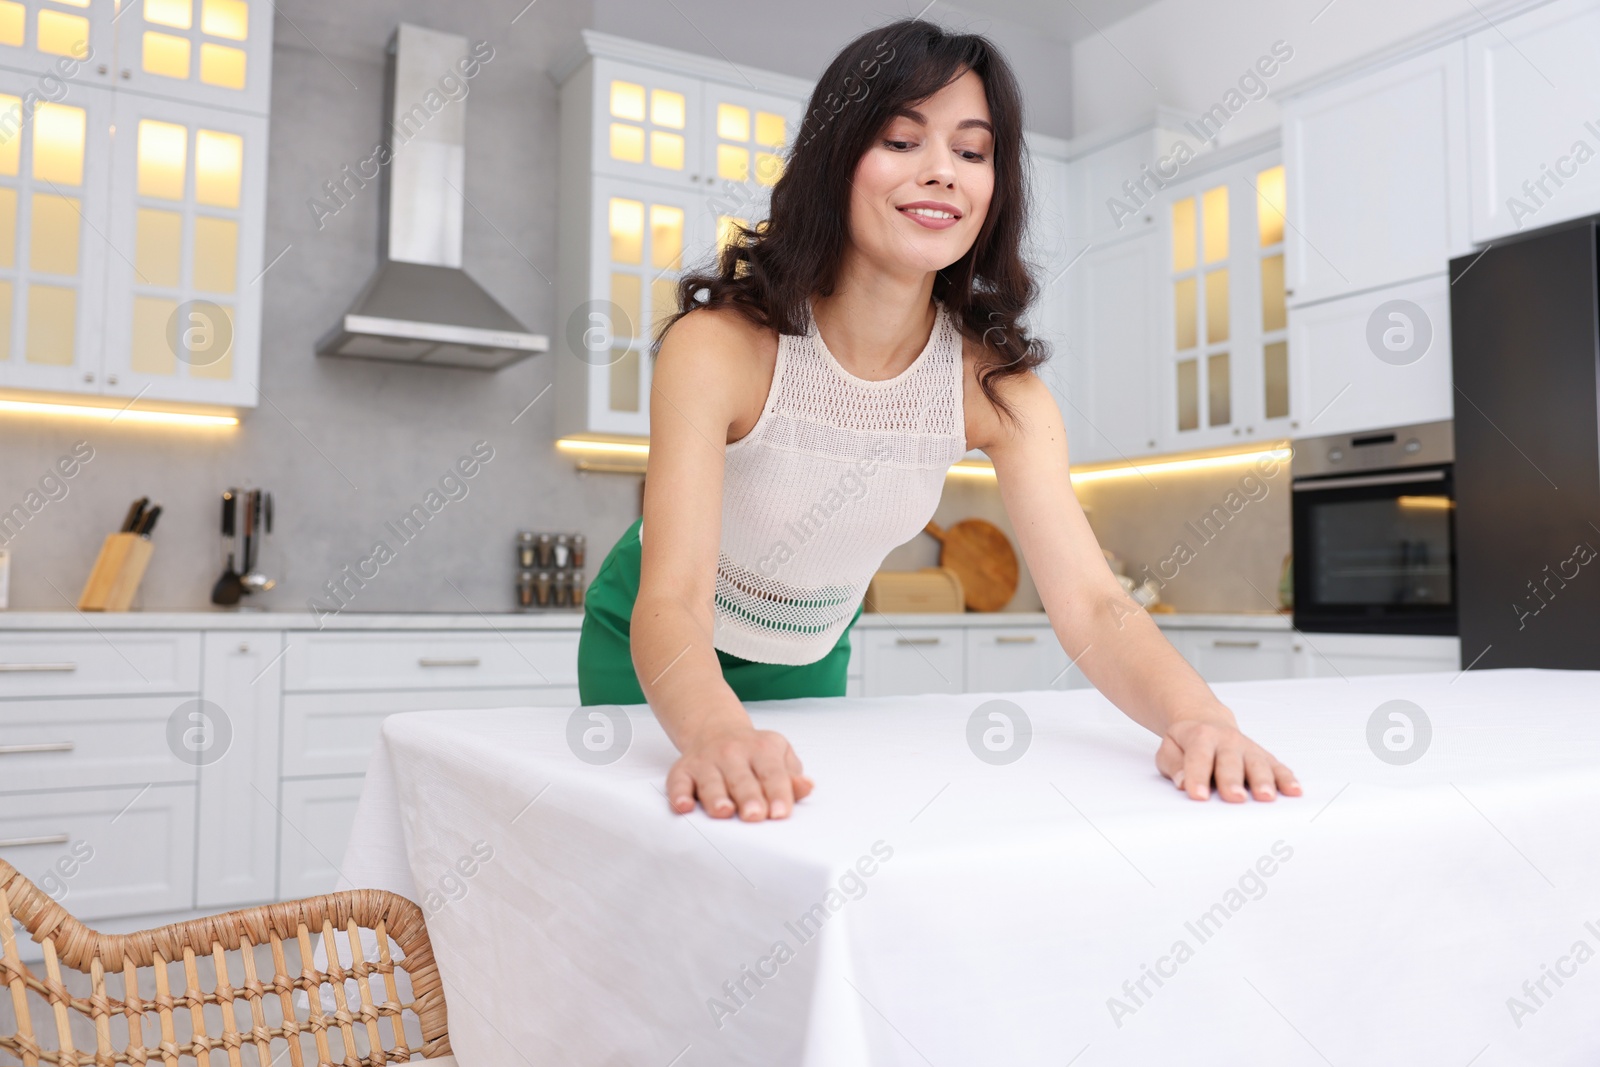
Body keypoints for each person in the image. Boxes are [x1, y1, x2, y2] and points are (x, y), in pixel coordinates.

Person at [577, 17, 1302, 820]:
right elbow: (671, 595)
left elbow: (1094, 603)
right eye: (900, 140)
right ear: (835, 160)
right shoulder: (718, 349)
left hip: (811, 650)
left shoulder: (997, 390)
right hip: (653, 642)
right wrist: (713, 731)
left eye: (971, 151)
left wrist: (1201, 720)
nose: (942, 174)